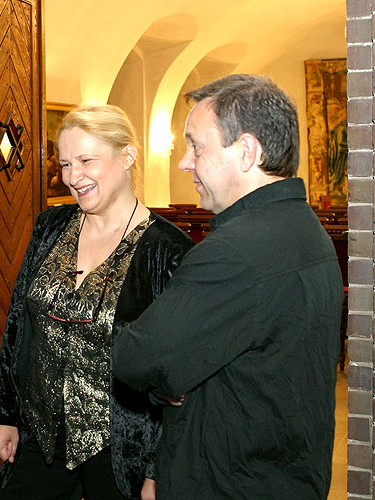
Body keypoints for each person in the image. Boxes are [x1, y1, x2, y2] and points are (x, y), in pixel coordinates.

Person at [112, 74, 344, 499]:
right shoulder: (303, 227)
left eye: (196, 146)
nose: (185, 162)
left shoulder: (235, 251)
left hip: (230, 479)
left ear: (246, 152)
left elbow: (136, 357)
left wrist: (168, 380)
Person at [0, 104, 194, 500]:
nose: (71, 177)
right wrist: (5, 414)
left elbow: (176, 377)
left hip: (121, 453)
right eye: (65, 163)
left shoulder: (167, 251)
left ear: (127, 156)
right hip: (40, 440)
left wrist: (157, 469)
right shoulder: (51, 226)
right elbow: (17, 324)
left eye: (85, 160)